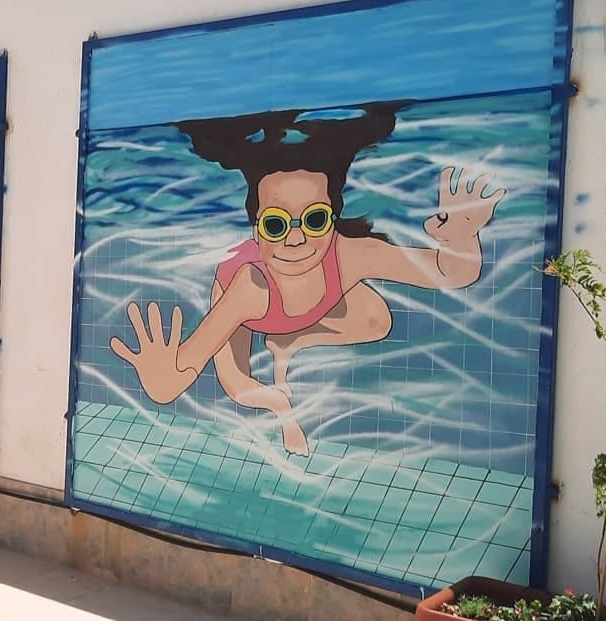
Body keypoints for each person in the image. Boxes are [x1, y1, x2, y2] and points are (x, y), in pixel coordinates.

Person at [109, 104, 505, 456]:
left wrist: (462, 234)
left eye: (314, 220)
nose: (296, 239)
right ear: (257, 231)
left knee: (377, 321)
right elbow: (175, 380)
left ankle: (289, 340)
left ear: (332, 221)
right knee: (243, 389)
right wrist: (160, 380)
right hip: (257, 312)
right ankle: (282, 403)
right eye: (276, 224)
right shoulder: (249, 288)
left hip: (304, 310)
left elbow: (451, 273)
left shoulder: (350, 254)